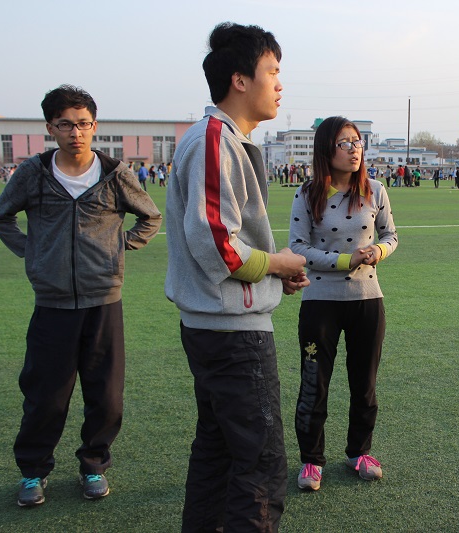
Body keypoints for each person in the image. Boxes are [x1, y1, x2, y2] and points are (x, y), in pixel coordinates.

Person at [0, 85, 162, 507]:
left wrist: (118, 248)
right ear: (50, 128)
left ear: (94, 126)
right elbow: (1, 215)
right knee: (45, 396)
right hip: (52, 304)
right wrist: (34, 252)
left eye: (83, 124)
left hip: (104, 301)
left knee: (106, 397)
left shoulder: (115, 173)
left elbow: (150, 216)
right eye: (65, 124)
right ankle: (33, 471)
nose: (75, 132)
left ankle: (93, 465)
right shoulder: (33, 172)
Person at [165, 23, 308, 532]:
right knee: (260, 464)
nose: (280, 84)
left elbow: (226, 242)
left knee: (219, 452)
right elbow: (219, 245)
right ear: (240, 80)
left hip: (218, 324)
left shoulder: (228, 140)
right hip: (231, 334)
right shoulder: (214, 139)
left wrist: (272, 275)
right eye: (273, 71)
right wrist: (278, 264)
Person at [289, 116, 398, 492]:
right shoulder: (307, 193)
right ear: (326, 150)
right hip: (320, 301)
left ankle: (359, 452)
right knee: (314, 383)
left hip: (367, 300)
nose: (355, 150)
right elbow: (297, 247)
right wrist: (343, 261)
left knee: (364, 383)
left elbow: (391, 235)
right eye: (345, 143)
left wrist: (378, 251)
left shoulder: (375, 190)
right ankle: (311, 459)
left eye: (358, 142)